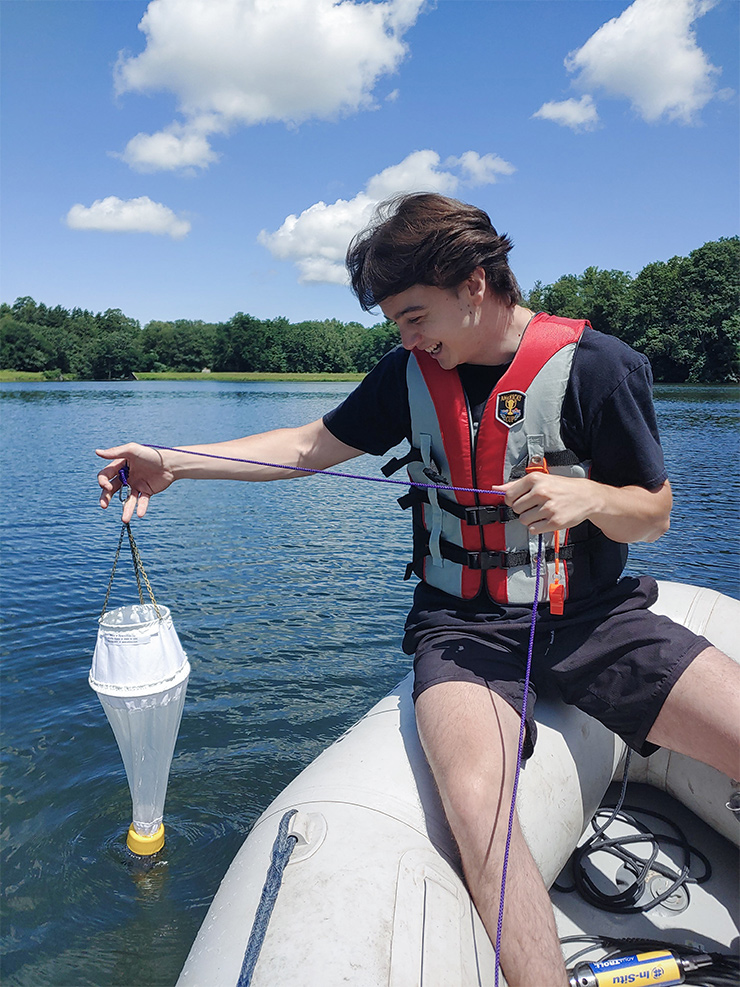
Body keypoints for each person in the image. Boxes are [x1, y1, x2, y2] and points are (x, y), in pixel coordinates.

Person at [97, 193, 739, 987]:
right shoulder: (407, 375)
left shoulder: (601, 367)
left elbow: (655, 512)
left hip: (597, 620)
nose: (406, 339)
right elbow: (305, 447)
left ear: (475, 282)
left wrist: (588, 499)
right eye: (396, 324)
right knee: (479, 812)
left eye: (413, 315)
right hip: (462, 631)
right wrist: (172, 459)